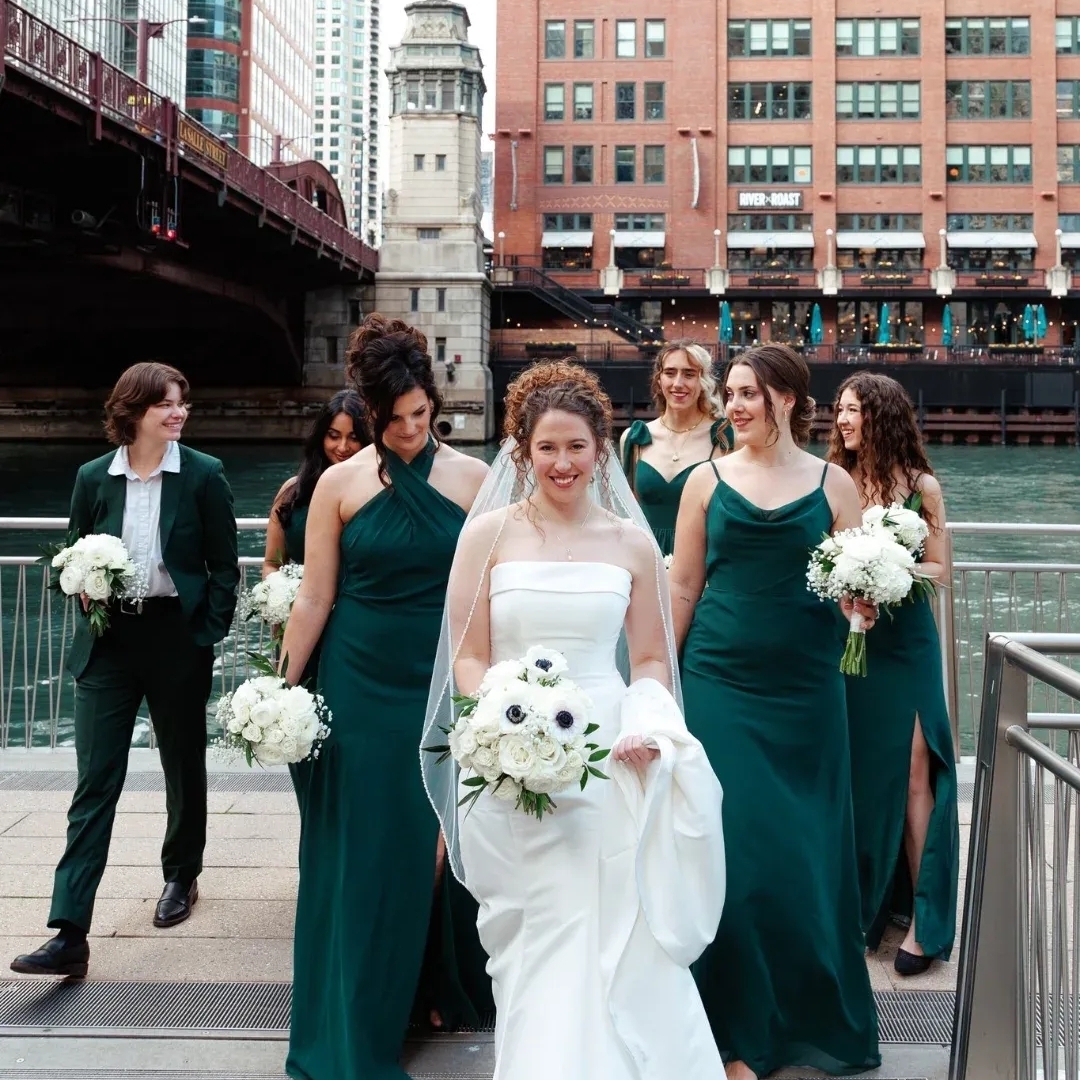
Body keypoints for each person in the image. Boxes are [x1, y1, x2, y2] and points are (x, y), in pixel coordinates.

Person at [423, 360, 726, 1080]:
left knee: (609, 929)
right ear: (522, 451)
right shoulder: (487, 534)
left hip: (604, 762)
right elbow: (468, 655)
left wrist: (648, 724)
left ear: (601, 449)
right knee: (535, 938)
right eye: (546, 448)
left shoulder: (631, 543)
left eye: (576, 447)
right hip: (512, 759)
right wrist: (507, 724)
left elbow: (651, 657)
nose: (561, 463)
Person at [277, 314, 492, 1080]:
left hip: (437, 679)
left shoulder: (473, 480)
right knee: (369, 854)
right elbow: (314, 601)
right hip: (358, 682)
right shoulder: (336, 484)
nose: (409, 431)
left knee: (431, 846)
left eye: (421, 418)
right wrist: (283, 691)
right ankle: (363, 1015)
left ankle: (430, 987)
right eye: (395, 420)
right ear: (372, 412)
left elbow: (488, 600)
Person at [669, 344, 880, 1080]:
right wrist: (660, 684)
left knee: (803, 857)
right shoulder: (704, 483)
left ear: (787, 398)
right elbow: (685, 588)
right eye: (728, 392)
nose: (732, 405)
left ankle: (807, 1019)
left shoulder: (836, 486)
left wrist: (864, 605)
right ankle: (735, 1037)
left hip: (805, 686)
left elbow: (858, 584)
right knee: (734, 851)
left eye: (748, 393)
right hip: (719, 680)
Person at [11, 362, 239, 978]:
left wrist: (203, 636)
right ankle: (69, 928)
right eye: (165, 404)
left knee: (181, 767)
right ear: (132, 410)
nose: (178, 413)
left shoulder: (203, 476)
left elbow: (225, 568)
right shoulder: (94, 477)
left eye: (182, 404)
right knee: (94, 784)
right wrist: (77, 585)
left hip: (175, 637)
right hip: (108, 642)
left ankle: (180, 876)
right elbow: (69, 556)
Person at [829, 371, 959, 975]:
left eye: (853, 410)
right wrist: (848, 587)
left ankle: (927, 923)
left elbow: (940, 569)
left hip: (905, 645)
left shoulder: (923, 486)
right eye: (839, 410)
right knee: (856, 770)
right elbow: (821, 561)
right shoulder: (834, 482)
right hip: (852, 641)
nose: (842, 420)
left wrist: (887, 572)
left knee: (913, 772)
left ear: (880, 415)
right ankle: (864, 908)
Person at [261, 389, 368, 813]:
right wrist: (284, 593)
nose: (342, 447)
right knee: (299, 737)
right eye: (333, 435)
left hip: (352, 634)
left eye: (354, 437)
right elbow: (271, 563)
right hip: (300, 631)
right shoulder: (292, 492)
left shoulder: (371, 493)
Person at [619, 339, 729, 555]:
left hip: (706, 561)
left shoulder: (725, 440)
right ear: (659, 379)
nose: (678, 383)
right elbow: (627, 513)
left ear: (703, 381)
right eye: (670, 373)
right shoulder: (633, 439)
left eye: (689, 374)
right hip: (648, 559)